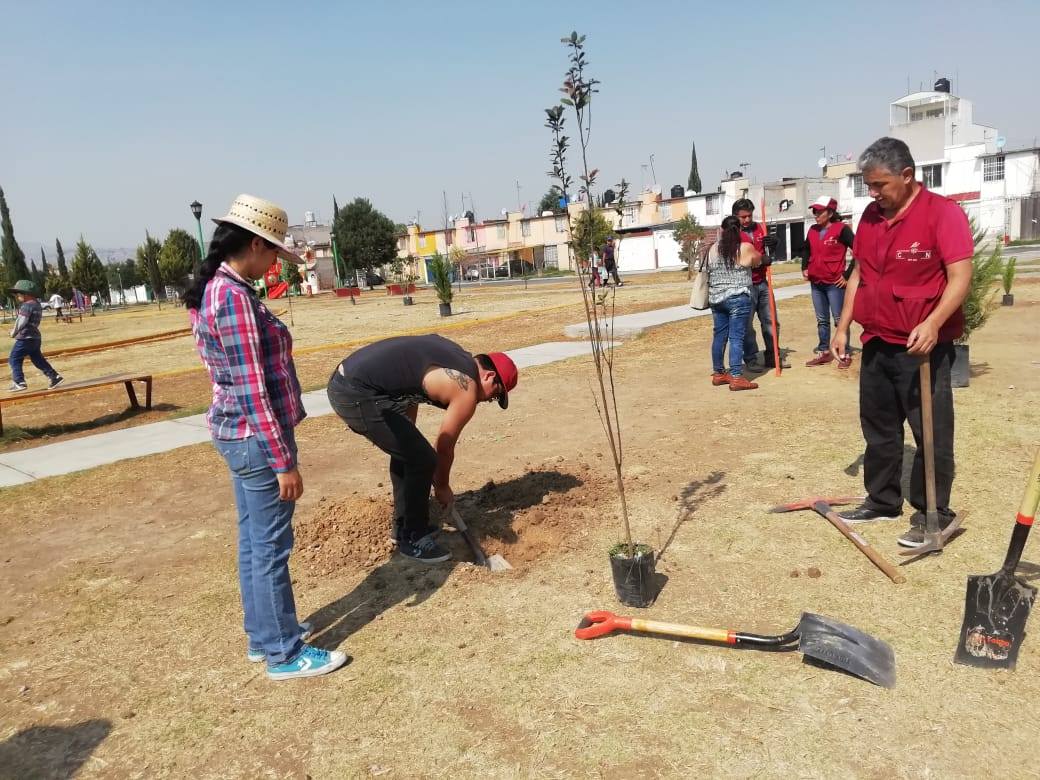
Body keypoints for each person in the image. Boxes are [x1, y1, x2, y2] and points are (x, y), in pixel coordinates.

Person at [184, 194, 347, 681]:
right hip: (256, 438)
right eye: (273, 252)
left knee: (255, 541)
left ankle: (265, 634)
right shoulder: (232, 298)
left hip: (241, 435)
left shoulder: (218, 289)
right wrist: (283, 462)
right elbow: (253, 388)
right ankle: (283, 651)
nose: (275, 262)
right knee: (271, 545)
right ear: (254, 244)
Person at [831, 138, 973, 548]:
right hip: (877, 340)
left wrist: (933, 322)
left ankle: (933, 511)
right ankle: (882, 499)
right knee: (878, 428)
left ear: (907, 176)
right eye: (868, 186)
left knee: (930, 431)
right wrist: (842, 327)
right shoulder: (870, 218)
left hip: (922, 348)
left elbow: (960, 277)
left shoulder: (942, 214)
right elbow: (858, 274)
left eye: (879, 185)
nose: (873, 193)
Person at [327, 335, 519, 562]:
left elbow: (406, 391)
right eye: (494, 395)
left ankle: (402, 529)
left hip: (350, 382)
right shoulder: (466, 386)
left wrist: (410, 444)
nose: (487, 401)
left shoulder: (450, 357)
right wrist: (442, 486)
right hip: (357, 393)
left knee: (410, 453)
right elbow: (444, 446)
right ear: (489, 376)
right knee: (424, 459)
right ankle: (414, 537)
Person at [704, 215, 763, 391]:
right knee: (736, 337)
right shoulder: (745, 248)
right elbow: (758, 261)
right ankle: (736, 376)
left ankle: (719, 373)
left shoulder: (712, 249)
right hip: (738, 297)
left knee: (719, 336)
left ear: (721, 230)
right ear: (739, 231)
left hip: (716, 298)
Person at [800, 197, 855, 366]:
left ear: (830, 213)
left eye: (819, 211)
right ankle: (824, 350)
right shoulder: (812, 230)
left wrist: (847, 275)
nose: (816, 214)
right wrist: (804, 266)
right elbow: (806, 249)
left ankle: (843, 352)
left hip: (834, 283)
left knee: (839, 318)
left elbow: (860, 250)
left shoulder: (842, 229)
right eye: (814, 211)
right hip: (816, 282)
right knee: (822, 320)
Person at [733, 199, 786, 370]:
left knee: (771, 321)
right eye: (743, 217)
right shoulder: (732, 233)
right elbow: (740, 259)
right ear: (736, 216)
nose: (747, 220)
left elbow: (768, 254)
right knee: (747, 326)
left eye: (749, 215)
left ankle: (772, 356)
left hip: (763, 283)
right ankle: (751, 359)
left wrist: (774, 244)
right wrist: (761, 259)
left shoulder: (759, 228)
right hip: (744, 286)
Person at [7, 279, 63, 392]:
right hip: (35, 338)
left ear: (26, 294)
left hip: (25, 338)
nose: (17, 296)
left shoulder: (26, 305)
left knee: (14, 358)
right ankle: (54, 377)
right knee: (38, 359)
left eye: (18, 294)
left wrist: (13, 332)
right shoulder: (36, 304)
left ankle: (19, 382)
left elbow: (21, 321)